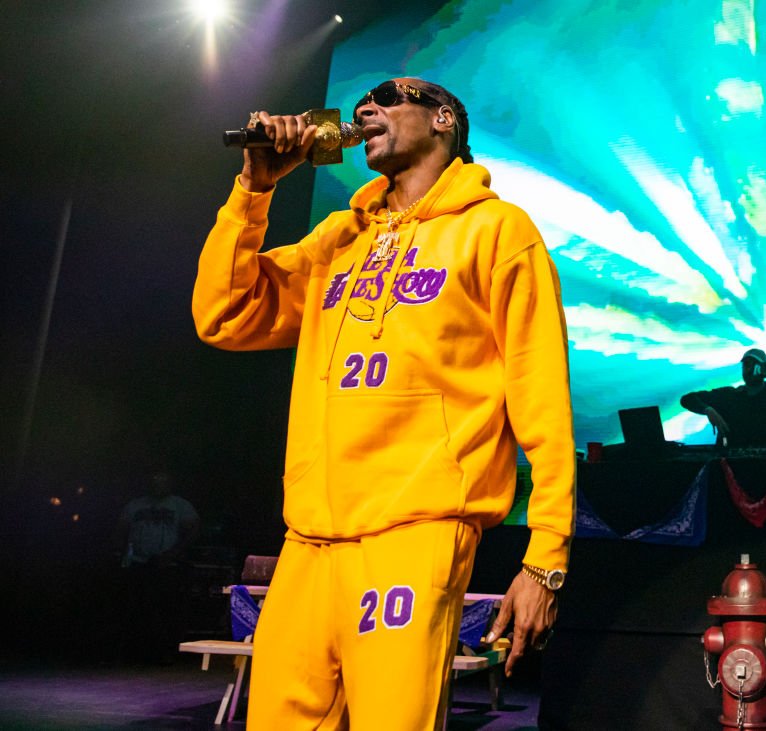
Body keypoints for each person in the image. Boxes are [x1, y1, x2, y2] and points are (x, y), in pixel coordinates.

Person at [192, 78, 575, 729]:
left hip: (414, 532)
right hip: (309, 540)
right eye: (363, 101)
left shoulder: (497, 231)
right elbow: (224, 315)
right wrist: (255, 190)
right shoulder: (339, 238)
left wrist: (547, 559)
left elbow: (541, 398)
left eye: (390, 96)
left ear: (444, 119)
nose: (366, 108)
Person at [114, 471, 200, 662]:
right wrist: (122, 555)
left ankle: (163, 653)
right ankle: (133, 652)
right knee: (136, 609)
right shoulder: (135, 505)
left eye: (163, 480)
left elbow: (192, 531)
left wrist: (173, 554)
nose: (159, 484)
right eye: (155, 480)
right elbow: (121, 530)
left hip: (166, 565)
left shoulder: (180, 505)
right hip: (137, 563)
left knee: (163, 611)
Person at [680, 348, 766, 448]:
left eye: (754, 365)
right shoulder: (727, 395)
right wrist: (707, 409)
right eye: (746, 364)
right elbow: (687, 399)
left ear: (765, 370)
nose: (749, 369)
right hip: (724, 465)